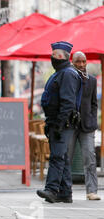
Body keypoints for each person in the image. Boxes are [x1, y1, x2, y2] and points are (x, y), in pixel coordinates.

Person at [37, 41, 83, 203]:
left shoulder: (67, 74)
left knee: (57, 157)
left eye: (56, 55)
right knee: (61, 157)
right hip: (57, 121)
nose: (52, 57)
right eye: (52, 54)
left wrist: (59, 124)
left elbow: (68, 102)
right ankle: (65, 192)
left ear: (64, 56)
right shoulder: (60, 73)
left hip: (62, 123)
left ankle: (51, 189)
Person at [68, 51, 100, 200]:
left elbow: (94, 103)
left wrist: (93, 119)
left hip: (87, 125)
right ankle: (65, 189)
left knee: (90, 158)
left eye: (83, 61)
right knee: (66, 157)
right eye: (78, 62)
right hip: (70, 124)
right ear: (72, 62)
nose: (81, 65)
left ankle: (91, 191)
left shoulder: (92, 80)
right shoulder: (68, 79)